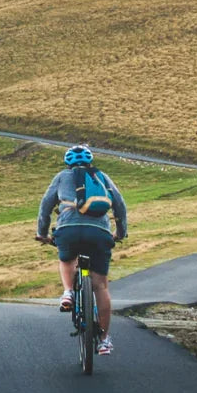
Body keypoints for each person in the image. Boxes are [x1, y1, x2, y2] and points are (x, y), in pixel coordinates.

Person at [35, 144, 128, 356]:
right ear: (90, 161)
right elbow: (120, 205)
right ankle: (104, 340)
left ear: (67, 163)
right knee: (101, 287)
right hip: (99, 232)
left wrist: (42, 233)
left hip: (68, 229)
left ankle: (68, 292)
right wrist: (120, 233)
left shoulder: (61, 177)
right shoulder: (102, 177)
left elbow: (45, 206)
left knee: (67, 259)